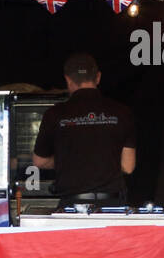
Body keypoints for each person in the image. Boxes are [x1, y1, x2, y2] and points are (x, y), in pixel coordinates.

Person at [32, 53, 136, 207]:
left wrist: (70, 158)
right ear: (98, 77)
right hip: (113, 205)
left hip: (72, 204)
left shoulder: (54, 114)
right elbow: (128, 166)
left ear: (68, 80)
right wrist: (101, 159)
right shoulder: (122, 112)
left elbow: (39, 161)